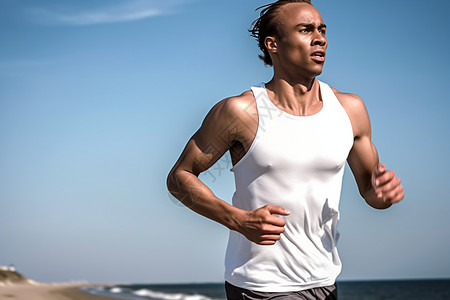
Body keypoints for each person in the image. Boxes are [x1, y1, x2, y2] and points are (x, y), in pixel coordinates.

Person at [167, 0, 404, 299]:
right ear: (273, 44)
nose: (320, 38)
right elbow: (180, 177)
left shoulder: (350, 109)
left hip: (324, 279)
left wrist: (382, 195)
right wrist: (237, 219)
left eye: (322, 29)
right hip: (261, 285)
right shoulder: (241, 113)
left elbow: (371, 194)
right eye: (305, 30)